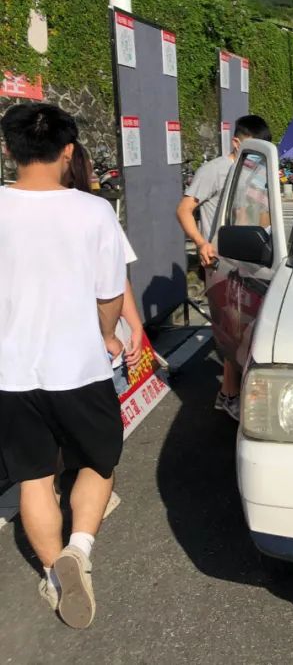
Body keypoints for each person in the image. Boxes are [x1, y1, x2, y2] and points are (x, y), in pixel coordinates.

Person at [0, 103, 128, 628]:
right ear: (68, 150)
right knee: (98, 462)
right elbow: (109, 295)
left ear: (9, 150)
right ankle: (78, 550)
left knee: (32, 477)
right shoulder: (93, 212)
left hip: (9, 371)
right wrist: (107, 335)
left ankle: (54, 572)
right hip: (79, 365)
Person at [175, 114, 272, 420]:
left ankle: (231, 393)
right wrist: (202, 243)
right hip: (221, 262)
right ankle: (229, 396)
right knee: (233, 331)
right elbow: (184, 209)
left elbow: (262, 214)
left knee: (246, 329)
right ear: (236, 143)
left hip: (251, 258)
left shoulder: (259, 172)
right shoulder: (215, 170)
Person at [66, 142, 143, 369]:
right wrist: (116, 333)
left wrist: (134, 326)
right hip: (95, 343)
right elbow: (114, 281)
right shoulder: (96, 211)